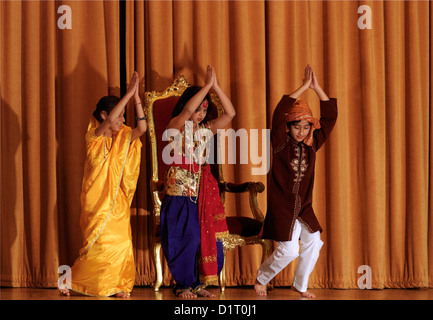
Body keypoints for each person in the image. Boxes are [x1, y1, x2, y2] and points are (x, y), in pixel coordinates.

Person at [59, 72, 147, 297]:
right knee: (101, 244)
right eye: (118, 116)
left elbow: (143, 129)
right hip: (97, 200)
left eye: (123, 117)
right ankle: (70, 280)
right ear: (103, 114)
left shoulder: (123, 137)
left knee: (122, 242)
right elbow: (109, 123)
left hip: (116, 200)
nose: (122, 121)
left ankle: (116, 284)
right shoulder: (94, 137)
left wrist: (136, 99)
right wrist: (127, 94)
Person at [254, 65, 338, 298]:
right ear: (288, 127)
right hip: (282, 207)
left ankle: (300, 286)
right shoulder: (280, 144)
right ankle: (261, 278)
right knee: (289, 250)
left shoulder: (312, 144)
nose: (301, 132)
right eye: (296, 127)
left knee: (314, 242)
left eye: (305, 127)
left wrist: (317, 88)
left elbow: (330, 117)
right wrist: (302, 87)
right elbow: (280, 111)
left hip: (304, 207)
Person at [160, 65, 236, 298]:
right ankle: (182, 285)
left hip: (201, 192)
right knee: (187, 237)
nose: (201, 113)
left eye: (205, 109)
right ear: (186, 108)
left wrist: (216, 87)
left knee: (204, 238)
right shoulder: (174, 126)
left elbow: (230, 114)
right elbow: (187, 111)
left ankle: (198, 285)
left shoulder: (205, 130)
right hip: (179, 191)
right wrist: (205, 87)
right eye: (198, 109)